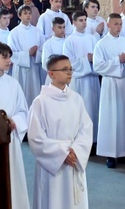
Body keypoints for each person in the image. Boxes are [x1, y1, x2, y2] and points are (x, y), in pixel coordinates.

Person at [28, 54, 93, 209]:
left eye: (70, 69)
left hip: (74, 158)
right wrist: (62, 153)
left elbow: (86, 128)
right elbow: (36, 138)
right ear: (51, 74)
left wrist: (76, 151)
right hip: (53, 163)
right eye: (64, 69)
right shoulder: (40, 102)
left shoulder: (76, 99)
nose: (69, 72)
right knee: (53, 201)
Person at [0, 42, 30, 209]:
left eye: (9, 56)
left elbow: (23, 110)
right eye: (4, 57)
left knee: (14, 176)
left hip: (12, 138)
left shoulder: (13, 83)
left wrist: (14, 122)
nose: (9, 60)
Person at [92, 13, 125, 169]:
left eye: (120, 24)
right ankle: (111, 154)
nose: (119, 27)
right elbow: (97, 66)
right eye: (116, 24)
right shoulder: (101, 44)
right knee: (111, 117)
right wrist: (118, 60)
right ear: (108, 25)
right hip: (110, 83)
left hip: (124, 83)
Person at [62, 12, 100, 141]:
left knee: (93, 110)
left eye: (85, 20)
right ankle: (80, 140)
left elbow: (98, 58)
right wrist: (85, 60)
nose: (84, 22)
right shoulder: (69, 41)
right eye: (80, 20)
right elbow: (68, 63)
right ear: (74, 22)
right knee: (80, 110)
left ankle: (94, 139)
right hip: (78, 80)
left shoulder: (92, 38)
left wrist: (93, 60)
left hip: (92, 79)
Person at [8, 5, 45, 106]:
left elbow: (43, 48)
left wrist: (36, 54)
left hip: (34, 67)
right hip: (21, 69)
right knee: (22, 97)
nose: (28, 15)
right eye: (25, 13)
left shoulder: (38, 32)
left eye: (29, 13)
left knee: (35, 95)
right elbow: (11, 53)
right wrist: (27, 54)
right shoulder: (14, 33)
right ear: (19, 16)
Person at [41, 17, 67, 84]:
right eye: (59, 27)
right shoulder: (48, 44)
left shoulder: (68, 42)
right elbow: (45, 63)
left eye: (64, 27)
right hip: (53, 77)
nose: (62, 30)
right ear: (53, 29)